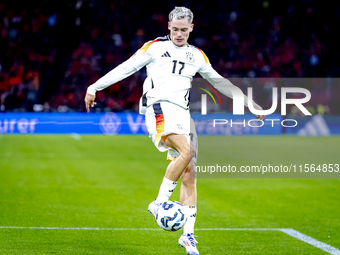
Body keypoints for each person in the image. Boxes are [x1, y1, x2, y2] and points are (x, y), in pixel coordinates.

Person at [84, 6, 265, 255]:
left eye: (184, 30)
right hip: (158, 108)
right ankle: (159, 203)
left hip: (183, 114)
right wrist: (95, 86)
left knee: (190, 172)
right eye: (175, 29)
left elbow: (219, 81)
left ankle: (188, 236)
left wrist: (246, 101)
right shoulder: (154, 47)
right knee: (186, 151)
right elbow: (126, 68)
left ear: (191, 28)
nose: (179, 34)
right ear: (168, 26)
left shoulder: (198, 55)